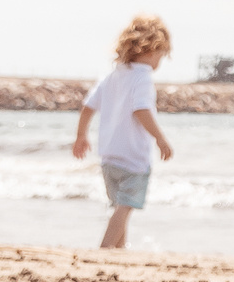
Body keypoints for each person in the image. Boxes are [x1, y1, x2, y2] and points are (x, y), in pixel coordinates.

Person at [75, 15, 175, 250]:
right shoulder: (142, 78)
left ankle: (118, 252)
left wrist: (81, 136)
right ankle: (105, 249)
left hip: (109, 157)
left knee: (120, 206)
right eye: (162, 54)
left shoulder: (112, 76)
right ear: (152, 50)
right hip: (133, 158)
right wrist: (160, 138)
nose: (161, 60)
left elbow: (88, 106)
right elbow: (141, 109)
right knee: (125, 207)